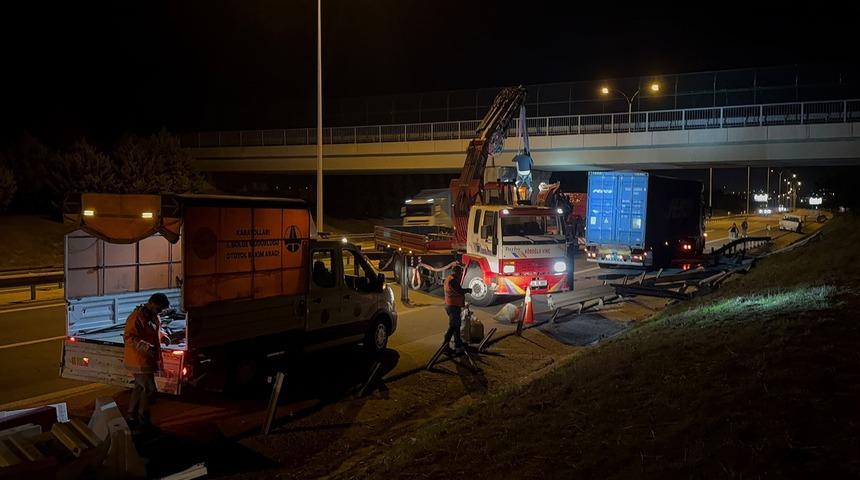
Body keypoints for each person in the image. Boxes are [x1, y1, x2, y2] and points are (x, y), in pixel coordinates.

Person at [124, 292, 170, 430]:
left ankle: (131, 416)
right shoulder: (137, 317)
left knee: (139, 388)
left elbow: (154, 332)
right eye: (158, 308)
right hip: (138, 360)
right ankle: (143, 419)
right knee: (149, 389)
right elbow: (129, 337)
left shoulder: (152, 316)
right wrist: (146, 347)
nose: (160, 311)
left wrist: (163, 336)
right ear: (151, 303)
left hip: (146, 359)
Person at [443, 264, 472, 353]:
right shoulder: (452, 281)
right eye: (460, 272)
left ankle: (458, 345)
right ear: (457, 272)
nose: (461, 274)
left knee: (456, 327)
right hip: (452, 307)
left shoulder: (450, 279)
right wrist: (468, 290)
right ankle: (445, 346)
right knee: (453, 327)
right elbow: (459, 291)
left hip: (452, 306)